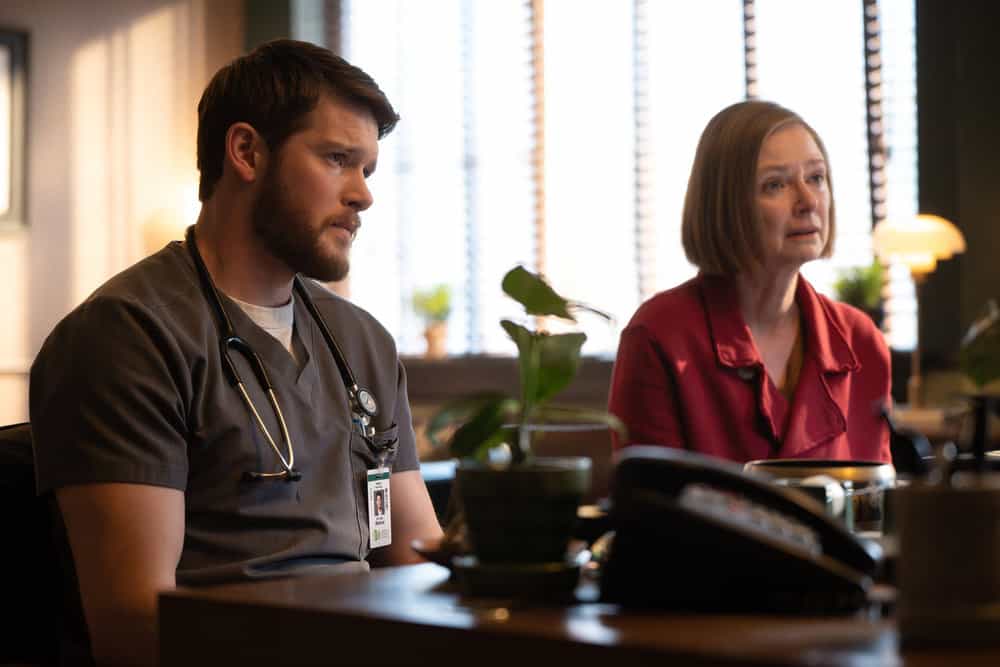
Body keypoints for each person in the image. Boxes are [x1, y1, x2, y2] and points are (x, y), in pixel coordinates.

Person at [29, 39, 442, 665]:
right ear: (246, 151)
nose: (363, 195)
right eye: (338, 159)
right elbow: (135, 627)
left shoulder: (362, 342)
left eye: (368, 170)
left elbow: (416, 558)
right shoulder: (126, 337)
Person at [608, 100, 890, 464]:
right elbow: (652, 511)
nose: (807, 201)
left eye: (816, 178)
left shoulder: (860, 339)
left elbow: (874, 507)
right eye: (775, 185)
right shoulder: (660, 334)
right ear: (726, 204)